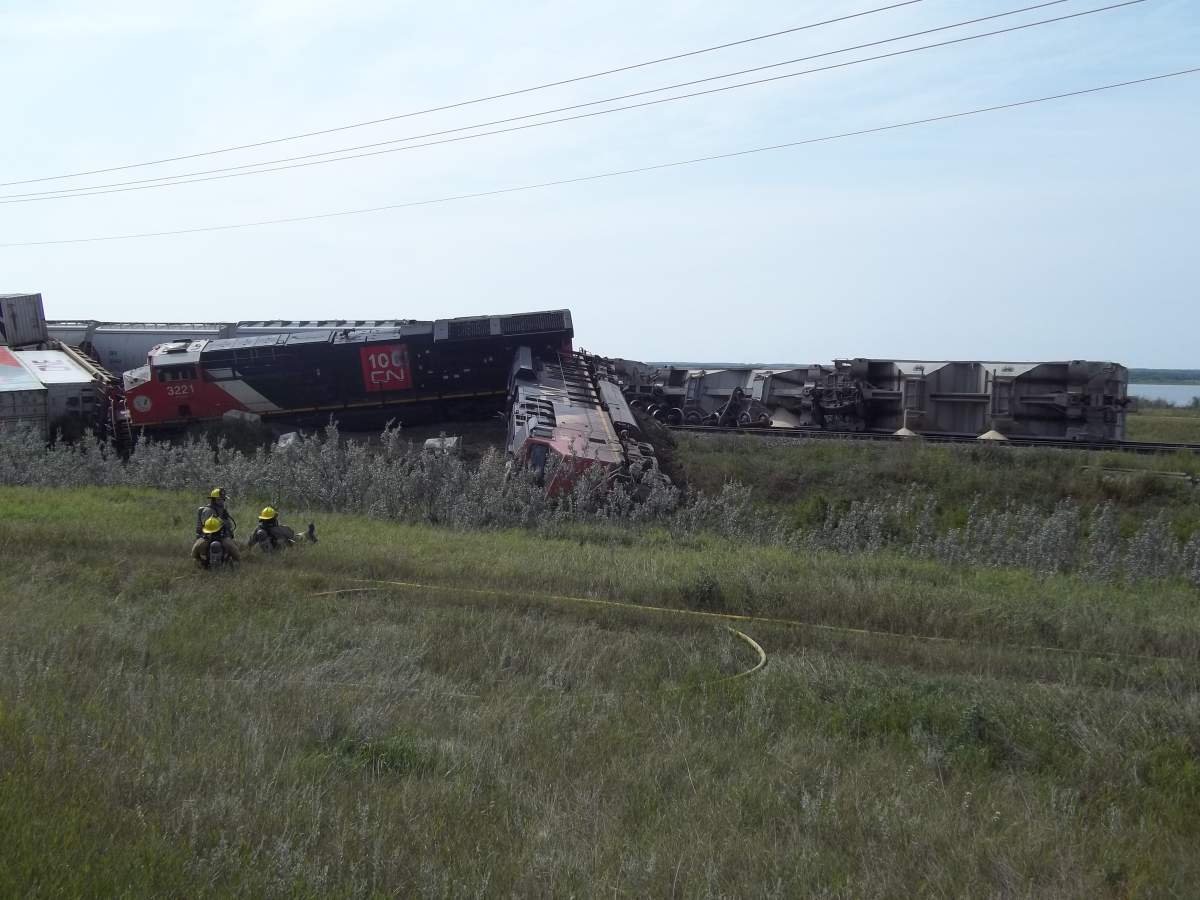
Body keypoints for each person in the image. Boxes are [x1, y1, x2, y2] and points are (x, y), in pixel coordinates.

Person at [193, 488, 240, 562]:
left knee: (234, 549)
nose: (222, 501)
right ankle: (200, 562)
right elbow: (208, 524)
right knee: (197, 547)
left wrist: (229, 532)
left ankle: (236, 563)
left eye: (223, 499)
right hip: (208, 536)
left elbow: (229, 525)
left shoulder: (223, 510)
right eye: (219, 499)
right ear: (214, 500)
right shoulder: (208, 511)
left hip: (221, 535)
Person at [246, 506, 318, 552]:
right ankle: (308, 534)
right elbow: (293, 536)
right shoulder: (282, 529)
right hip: (280, 551)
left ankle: (308, 534)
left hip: (267, 553)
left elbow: (250, 544)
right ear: (274, 519)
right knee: (296, 539)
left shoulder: (258, 530)